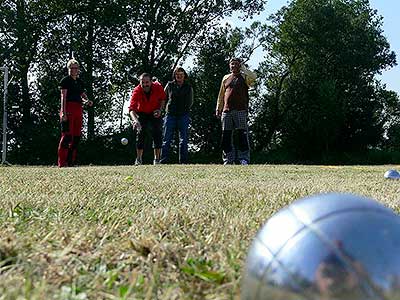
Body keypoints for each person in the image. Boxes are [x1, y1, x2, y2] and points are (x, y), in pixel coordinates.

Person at [216, 58, 257, 165]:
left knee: (242, 135)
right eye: (232, 64)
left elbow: (254, 77)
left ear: (240, 66)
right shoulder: (225, 78)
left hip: (240, 110)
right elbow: (221, 94)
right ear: (229, 66)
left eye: (236, 64)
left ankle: (244, 159)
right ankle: (228, 159)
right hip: (226, 111)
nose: (234, 66)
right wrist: (218, 108)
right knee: (226, 136)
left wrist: (244, 68)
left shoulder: (244, 77)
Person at [57, 59, 93, 167]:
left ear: (78, 70)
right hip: (68, 108)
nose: (74, 70)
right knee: (66, 136)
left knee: (76, 137)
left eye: (76, 68)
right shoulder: (65, 81)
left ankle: (71, 161)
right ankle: (62, 163)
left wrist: (87, 100)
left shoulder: (79, 82)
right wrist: (63, 112)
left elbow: (82, 94)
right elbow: (63, 96)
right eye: (71, 68)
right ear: (68, 69)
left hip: (78, 109)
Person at [129, 73, 166, 165]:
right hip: (142, 112)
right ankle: (139, 159)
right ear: (140, 82)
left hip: (155, 111)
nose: (145, 84)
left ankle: (157, 160)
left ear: (151, 81)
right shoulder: (136, 91)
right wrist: (135, 121)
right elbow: (131, 110)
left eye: (147, 82)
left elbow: (162, 99)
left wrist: (160, 110)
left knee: (157, 132)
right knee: (141, 133)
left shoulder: (158, 87)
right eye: (143, 82)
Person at [160, 67, 193, 164]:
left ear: (184, 76)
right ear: (174, 75)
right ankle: (163, 161)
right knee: (166, 139)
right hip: (170, 115)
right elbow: (163, 98)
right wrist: (161, 110)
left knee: (184, 139)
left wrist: (185, 110)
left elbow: (191, 101)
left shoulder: (188, 87)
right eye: (177, 74)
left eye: (181, 74)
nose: (179, 76)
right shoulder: (169, 85)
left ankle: (183, 161)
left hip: (183, 115)